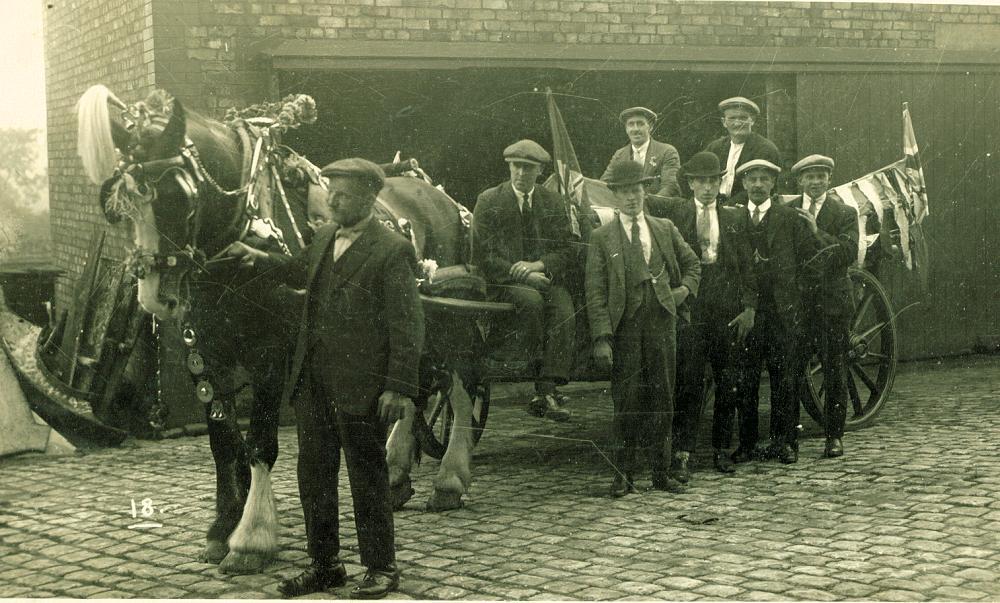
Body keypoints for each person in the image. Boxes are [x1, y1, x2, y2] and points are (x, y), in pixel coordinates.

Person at [227, 158, 422, 599]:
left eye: (343, 194)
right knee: (314, 479)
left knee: (366, 477)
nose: (333, 200)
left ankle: (381, 567)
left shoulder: (391, 250)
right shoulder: (323, 237)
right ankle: (325, 565)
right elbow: (297, 269)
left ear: (370, 198)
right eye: (330, 191)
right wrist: (256, 256)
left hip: (361, 387)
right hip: (312, 384)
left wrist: (399, 386)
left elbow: (408, 325)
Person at [586, 159, 701, 497]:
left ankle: (660, 474)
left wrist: (683, 291)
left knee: (663, 396)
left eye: (637, 190)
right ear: (615, 196)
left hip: (663, 322)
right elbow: (594, 291)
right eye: (624, 192)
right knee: (627, 399)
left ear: (645, 192)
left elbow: (693, 263)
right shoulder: (602, 237)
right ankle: (623, 474)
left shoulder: (663, 227)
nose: (632, 197)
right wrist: (601, 338)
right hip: (625, 328)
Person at [645, 152, 757, 481]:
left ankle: (721, 449)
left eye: (713, 181)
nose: (707, 188)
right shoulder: (675, 214)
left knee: (727, 382)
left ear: (721, 182)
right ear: (690, 183)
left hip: (728, 311)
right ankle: (683, 453)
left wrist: (749, 307)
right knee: (688, 381)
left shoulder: (735, 218)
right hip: (691, 310)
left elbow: (749, 267)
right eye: (701, 181)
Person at [471, 139, 576, 421]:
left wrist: (539, 265)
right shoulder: (489, 200)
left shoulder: (551, 201)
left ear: (540, 171)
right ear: (509, 167)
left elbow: (566, 248)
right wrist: (524, 275)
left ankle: (547, 389)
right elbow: (484, 254)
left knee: (564, 309)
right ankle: (517, 361)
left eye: (528, 168)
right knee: (529, 301)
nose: (521, 173)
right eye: (516, 167)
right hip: (503, 282)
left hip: (544, 277)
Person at [733, 159, 820, 465]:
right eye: (752, 179)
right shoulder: (735, 219)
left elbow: (810, 261)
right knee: (747, 380)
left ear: (773, 184)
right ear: (744, 184)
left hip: (782, 312)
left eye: (763, 179)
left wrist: (798, 302)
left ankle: (785, 443)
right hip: (750, 313)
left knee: (785, 379)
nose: (757, 185)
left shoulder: (789, 218)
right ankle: (746, 444)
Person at [785, 154, 859, 459]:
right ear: (799, 181)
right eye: (809, 176)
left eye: (821, 176)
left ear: (829, 179)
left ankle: (834, 436)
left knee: (834, 370)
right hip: (799, 305)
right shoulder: (787, 211)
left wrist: (816, 231)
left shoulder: (844, 212)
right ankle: (788, 440)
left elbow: (848, 252)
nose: (815, 181)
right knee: (790, 371)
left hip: (831, 304)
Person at [704, 97, 781, 204]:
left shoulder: (765, 149)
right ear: (724, 122)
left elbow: (758, 188)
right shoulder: (715, 147)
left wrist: (723, 209)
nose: (737, 123)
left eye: (743, 118)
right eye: (732, 118)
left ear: (752, 120)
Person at [601, 106, 682, 197]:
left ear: (650, 127)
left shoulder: (667, 151)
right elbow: (603, 185)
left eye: (640, 124)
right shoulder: (619, 155)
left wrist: (645, 206)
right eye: (631, 124)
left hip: (655, 208)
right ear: (626, 129)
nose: (635, 129)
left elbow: (670, 187)